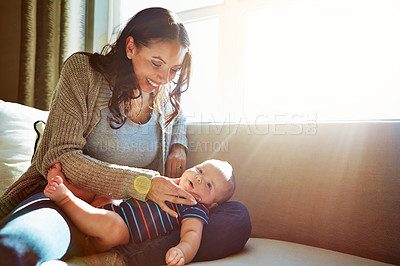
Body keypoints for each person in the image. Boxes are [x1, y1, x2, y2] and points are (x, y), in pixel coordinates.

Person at [0, 7, 251, 265]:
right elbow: (60, 156)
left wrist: (178, 146)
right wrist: (144, 184)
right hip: (66, 203)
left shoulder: (161, 94)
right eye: (157, 63)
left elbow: (179, 115)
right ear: (130, 48)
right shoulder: (83, 72)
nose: (165, 79)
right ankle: (118, 257)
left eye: (174, 70)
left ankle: (115, 257)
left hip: (128, 222)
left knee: (237, 216)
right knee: (15, 248)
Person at [43, 159, 235, 265]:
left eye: (208, 184)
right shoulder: (172, 182)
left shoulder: (195, 208)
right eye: (199, 170)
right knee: (106, 189)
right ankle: (68, 186)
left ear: (212, 205)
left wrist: (182, 251)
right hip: (115, 206)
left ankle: (65, 198)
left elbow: (192, 234)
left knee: (113, 227)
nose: (199, 178)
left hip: (122, 230)